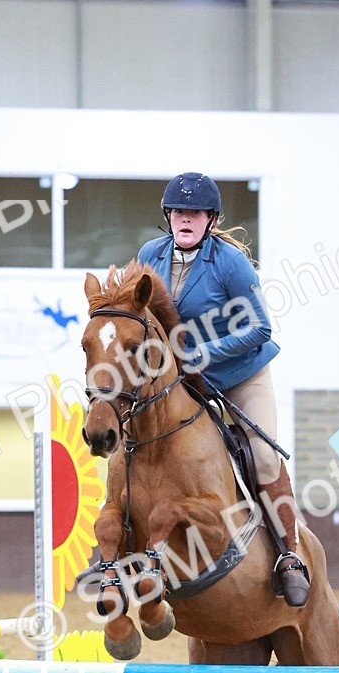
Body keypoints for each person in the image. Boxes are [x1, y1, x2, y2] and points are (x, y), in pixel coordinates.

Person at [137, 171, 310, 607]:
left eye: (194, 212)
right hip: (180, 379)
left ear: (210, 219)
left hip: (239, 373)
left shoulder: (230, 263)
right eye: (178, 211)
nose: (185, 219)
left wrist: (205, 354)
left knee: (264, 456)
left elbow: (261, 326)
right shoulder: (149, 256)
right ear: (168, 216)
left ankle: (289, 554)